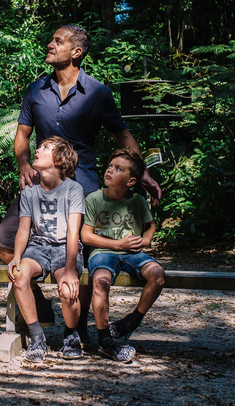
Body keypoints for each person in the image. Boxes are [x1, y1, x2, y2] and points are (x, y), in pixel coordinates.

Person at [0, 24, 162, 339]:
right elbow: (22, 136)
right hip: (39, 185)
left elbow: (122, 135)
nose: (50, 44)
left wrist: (144, 172)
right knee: (3, 242)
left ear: (76, 52)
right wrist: (24, 164)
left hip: (81, 186)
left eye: (58, 41)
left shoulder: (98, 93)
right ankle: (39, 302)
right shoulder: (35, 90)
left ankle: (78, 327)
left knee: (79, 257)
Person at [80, 149, 165, 362]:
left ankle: (131, 322)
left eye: (119, 169)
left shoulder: (137, 200)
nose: (110, 170)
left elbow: (151, 225)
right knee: (100, 281)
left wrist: (145, 240)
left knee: (158, 274)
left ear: (131, 181)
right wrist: (117, 244)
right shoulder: (94, 199)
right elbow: (86, 236)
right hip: (103, 252)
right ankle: (105, 339)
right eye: (110, 166)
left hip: (132, 254)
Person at [7, 136, 85, 362]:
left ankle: (71, 336)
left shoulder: (73, 189)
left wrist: (70, 269)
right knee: (19, 275)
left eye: (45, 148)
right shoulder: (29, 191)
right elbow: (23, 230)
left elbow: (73, 232)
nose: (37, 150)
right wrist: (16, 257)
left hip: (64, 248)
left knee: (67, 289)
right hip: (38, 247)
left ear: (59, 160)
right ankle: (37, 336)